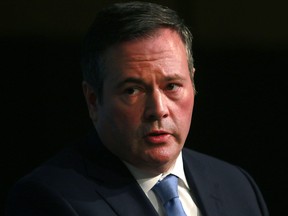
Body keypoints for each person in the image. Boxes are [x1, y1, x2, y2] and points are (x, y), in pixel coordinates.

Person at [6, 1, 269, 216]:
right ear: (94, 100)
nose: (158, 109)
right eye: (132, 90)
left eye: (172, 86)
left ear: (193, 83)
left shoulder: (236, 185)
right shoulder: (47, 199)